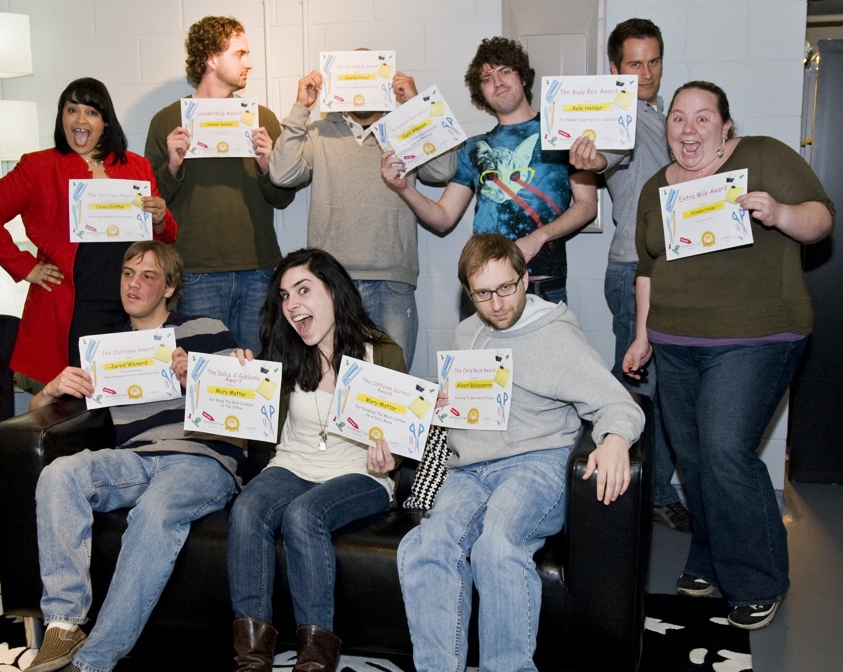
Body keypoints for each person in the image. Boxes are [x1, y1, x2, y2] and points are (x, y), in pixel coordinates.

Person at [375, 233, 644, 672]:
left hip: (536, 465)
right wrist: (440, 410)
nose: (497, 304)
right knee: (425, 544)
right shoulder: (468, 332)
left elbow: (620, 403)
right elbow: (465, 417)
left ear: (525, 279)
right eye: (482, 294)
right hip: (470, 468)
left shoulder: (555, 335)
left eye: (506, 289)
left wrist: (614, 439)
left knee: (498, 544)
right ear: (467, 295)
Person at [622, 82, 834, 630]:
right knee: (694, 461)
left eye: (702, 118)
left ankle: (759, 578)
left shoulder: (762, 156)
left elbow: (822, 218)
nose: (688, 130)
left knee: (722, 449)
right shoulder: (655, 186)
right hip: (675, 343)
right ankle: (709, 559)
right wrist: (643, 334)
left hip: (757, 337)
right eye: (677, 118)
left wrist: (780, 212)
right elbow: (648, 268)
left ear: (725, 126)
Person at [17, 241, 242, 672]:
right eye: (127, 273)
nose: (134, 283)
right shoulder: (108, 348)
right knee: (59, 474)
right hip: (136, 459)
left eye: (149, 276)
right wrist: (52, 388)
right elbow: (40, 408)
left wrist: (199, 375)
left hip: (201, 458)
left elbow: (246, 399)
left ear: (170, 288)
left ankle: (94, 660)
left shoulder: (206, 328)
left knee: (155, 512)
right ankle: (62, 625)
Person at [206, 248, 406, 672]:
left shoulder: (382, 353)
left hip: (360, 474)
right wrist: (235, 371)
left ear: (333, 292)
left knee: (303, 516)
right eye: (284, 296)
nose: (293, 305)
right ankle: (252, 671)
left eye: (303, 290)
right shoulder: (283, 351)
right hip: (294, 463)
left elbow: (401, 437)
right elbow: (243, 409)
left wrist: (392, 455)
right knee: (248, 508)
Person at [0, 78, 178, 385]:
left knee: (129, 403)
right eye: (71, 110)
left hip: (129, 308)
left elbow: (166, 237)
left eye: (91, 112)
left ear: (105, 122)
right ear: (61, 118)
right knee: (73, 409)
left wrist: (160, 217)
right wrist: (25, 266)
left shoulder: (137, 167)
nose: (80, 119)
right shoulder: (39, 167)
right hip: (72, 310)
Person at [569, 19, 691, 532]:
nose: (647, 72)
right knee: (639, 390)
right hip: (632, 271)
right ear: (615, 68)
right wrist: (591, 159)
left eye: (655, 61)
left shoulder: (665, 115)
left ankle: (649, 490)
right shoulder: (620, 117)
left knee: (664, 389)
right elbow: (607, 151)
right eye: (635, 64)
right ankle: (641, 494)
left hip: (673, 270)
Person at [381, 37, 597, 307]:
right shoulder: (473, 147)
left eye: (505, 71)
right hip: (482, 287)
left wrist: (538, 237)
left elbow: (588, 205)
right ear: (481, 93)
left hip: (542, 285)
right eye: (486, 78)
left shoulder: (561, 133)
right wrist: (405, 189)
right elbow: (443, 217)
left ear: (524, 78)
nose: (498, 82)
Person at [268, 65, 456, 366]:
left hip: (393, 279)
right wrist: (301, 107)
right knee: (331, 381)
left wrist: (417, 106)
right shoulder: (319, 131)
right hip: (330, 282)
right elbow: (282, 173)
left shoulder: (404, 128)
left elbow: (444, 170)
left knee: (392, 390)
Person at [145, 15, 295, 355]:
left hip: (259, 270)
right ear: (211, 58)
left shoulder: (263, 119)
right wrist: (171, 165)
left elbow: (283, 197)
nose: (249, 63)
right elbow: (151, 204)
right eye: (240, 54)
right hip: (195, 272)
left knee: (256, 379)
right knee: (203, 381)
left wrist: (269, 167)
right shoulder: (168, 120)